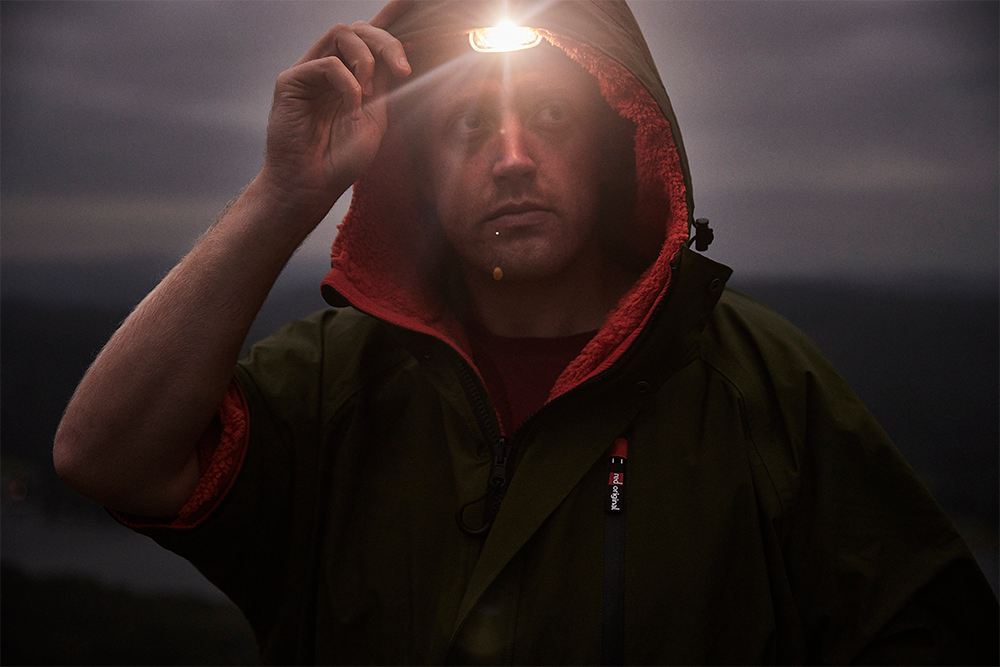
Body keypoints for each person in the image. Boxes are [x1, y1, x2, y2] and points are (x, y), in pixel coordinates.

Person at [54, 0, 999, 664]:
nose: (511, 156)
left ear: (618, 144)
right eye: (468, 126)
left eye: (550, 115)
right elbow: (107, 455)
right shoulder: (332, 385)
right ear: (418, 175)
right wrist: (286, 191)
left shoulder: (763, 385)